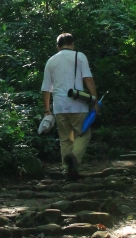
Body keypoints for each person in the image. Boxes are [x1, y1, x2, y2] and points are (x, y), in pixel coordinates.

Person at [41, 32, 100, 180]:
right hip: (77, 105)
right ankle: (73, 158)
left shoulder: (51, 61)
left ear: (58, 46)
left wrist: (47, 110)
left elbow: (46, 89)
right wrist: (95, 100)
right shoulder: (79, 56)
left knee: (66, 139)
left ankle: (67, 171)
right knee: (83, 134)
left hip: (59, 107)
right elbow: (88, 79)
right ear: (72, 44)